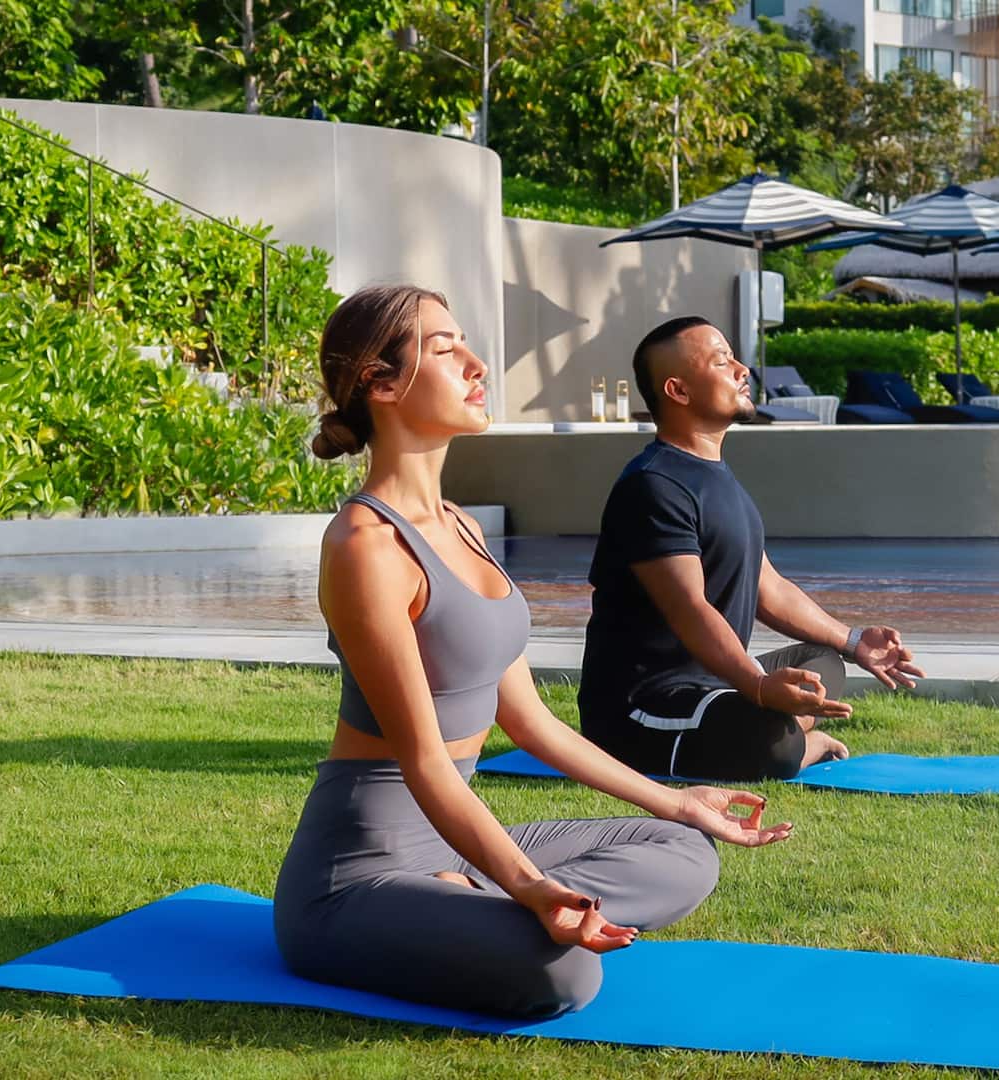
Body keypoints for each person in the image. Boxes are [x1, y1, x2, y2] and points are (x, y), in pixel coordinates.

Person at [272, 287, 793, 1020]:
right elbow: (424, 763)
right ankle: (500, 906)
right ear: (381, 384)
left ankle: (477, 898)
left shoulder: (462, 528)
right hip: (360, 872)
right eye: (447, 349)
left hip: (455, 847)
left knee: (686, 850)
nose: (477, 364)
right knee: (565, 978)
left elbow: (533, 725)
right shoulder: (367, 546)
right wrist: (529, 885)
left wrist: (680, 800)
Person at [579, 316, 927, 782]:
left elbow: (768, 588)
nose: (743, 369)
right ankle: (794, 741)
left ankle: (774, 725)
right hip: (643, 706)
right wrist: (759, 688)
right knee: (774, 748)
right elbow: (690, 610)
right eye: (723, 361)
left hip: (712, 686)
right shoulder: (653, 486)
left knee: (821, 667)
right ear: (678, 391)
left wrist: (852, 640)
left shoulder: (716, 476)